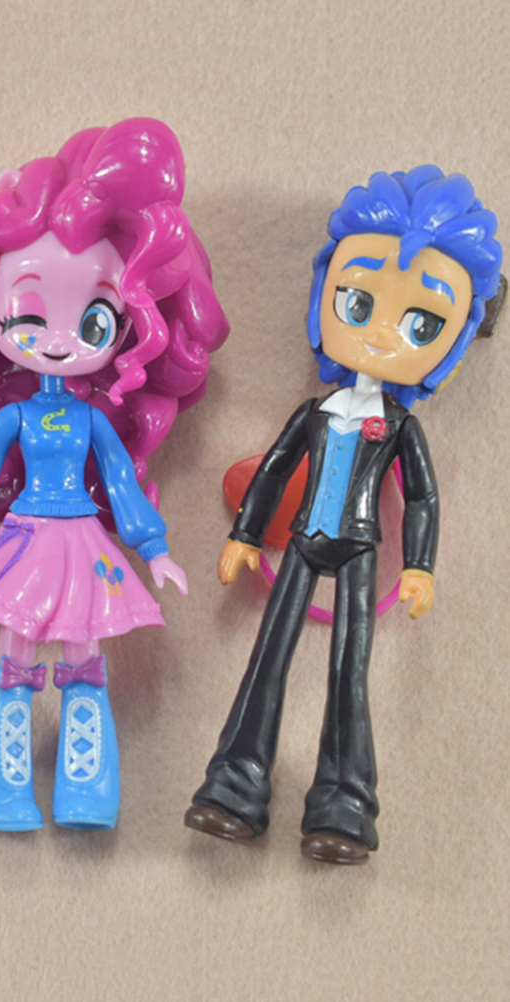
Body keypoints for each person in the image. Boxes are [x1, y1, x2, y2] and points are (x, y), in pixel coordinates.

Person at [0, 119, 229, 830]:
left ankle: (87, 789)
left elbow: (119, 483)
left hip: (82, 538)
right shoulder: (14, 418)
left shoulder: (91, 422)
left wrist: (154, 549)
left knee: (84, 659)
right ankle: (4, 790)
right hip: (25, 536)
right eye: (27, 314)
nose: (57, 343)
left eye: (92, 324)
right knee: (17, 658)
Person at [185, 166, 503, 863]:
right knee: (266, 660)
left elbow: (422, 497)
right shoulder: (316, 412)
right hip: (303, 541)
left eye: (419, 323)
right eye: (358, 303)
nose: (383, 334)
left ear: (453, 340)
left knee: (347, 671)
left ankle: (345, 800)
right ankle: (235, 783)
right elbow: (274, 469)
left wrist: (419, 566)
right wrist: (245, 534)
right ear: (323, 296)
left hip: (359, 547)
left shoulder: (399, 426)